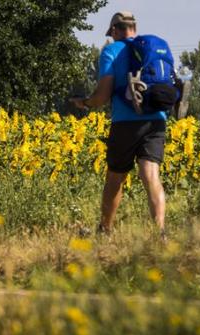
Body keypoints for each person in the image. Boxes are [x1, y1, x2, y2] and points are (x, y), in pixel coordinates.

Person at [71, 11, 168, 236]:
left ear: (114, 30)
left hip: (126, 122)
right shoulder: (150, 48)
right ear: (133, 28)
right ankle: (160, 232)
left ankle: (105, 229)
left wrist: (85, 102)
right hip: (156, 119)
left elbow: (103, 95)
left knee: (115, 177)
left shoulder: (111, 50)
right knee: (151, 174)